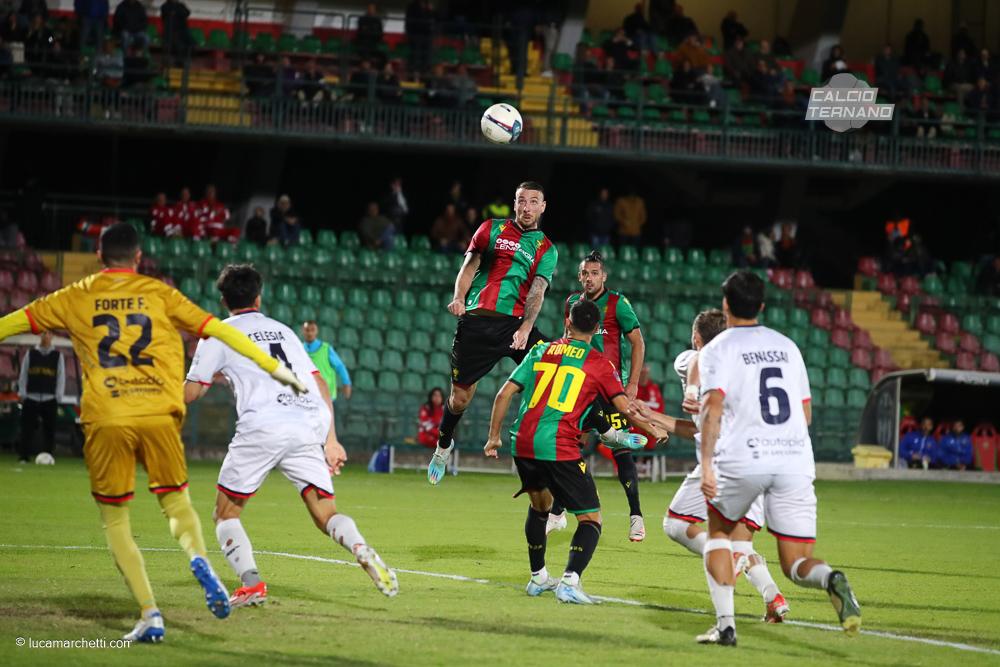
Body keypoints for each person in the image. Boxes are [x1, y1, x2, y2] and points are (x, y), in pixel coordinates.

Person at [0, 223, 308, 642]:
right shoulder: (160, 292)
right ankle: (200, 559)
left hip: (108, 414)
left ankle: (150, 613)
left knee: (115, 519)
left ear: (99, 256)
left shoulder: (75, 296)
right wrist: (272, 366)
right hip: (159, 412)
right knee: (177, 504)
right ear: (139, 257)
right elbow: (216, 328)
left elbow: (13, 323)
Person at [185, 265, 396, 607]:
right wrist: (331, 439)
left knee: (226, 514)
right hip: (306, 422)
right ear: (259, 297)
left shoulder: (218, 333)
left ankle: (251, 583)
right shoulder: (283, 331)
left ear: (223, 300)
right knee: (325, 513)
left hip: (263, 425)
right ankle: (359, 547)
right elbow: (321, 383)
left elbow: (192, 392)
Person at [694, 271, 860, 645]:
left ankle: (725, 627)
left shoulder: (718, 348)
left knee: (720, 532)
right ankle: (830, 577)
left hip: (744, 458)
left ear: (725, 305)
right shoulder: (787, 346)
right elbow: (805, 413)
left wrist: (706, 464)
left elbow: (712, 410)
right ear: (763, 306)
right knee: (796, 563)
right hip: (794, 460)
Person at [483, 299, 668, 604]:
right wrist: (653, 430)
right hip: (558, 445)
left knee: (541, 507)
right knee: (591, 519)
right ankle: (569, 582)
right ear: (598, 330)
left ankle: (538, 578)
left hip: (523, 441)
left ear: (566, 322)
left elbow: (504, 394)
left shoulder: (540, 350)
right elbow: (626, 409)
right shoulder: (599, 363)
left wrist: (493, 438)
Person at [639, 309, 789, 623]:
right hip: (761, 462)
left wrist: (691, 391)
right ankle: (773, 597)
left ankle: (728, 565)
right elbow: (695, 427)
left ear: (696, 338)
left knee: (676, 524)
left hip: (724, 462)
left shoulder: (692, 358)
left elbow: (697, 360)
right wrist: (650, 416)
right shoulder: (742, 371)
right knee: (743, 544)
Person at [426, 182, 558, 485]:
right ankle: (443, 446)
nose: (526, 207)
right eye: (521, 201)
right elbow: (470, 265)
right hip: (476, 324)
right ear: (514, 204)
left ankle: (602, 431)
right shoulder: (490, 228)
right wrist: (459, 297)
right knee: (459, 399)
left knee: (556, 370)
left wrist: (526, 327)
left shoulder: (546, 249)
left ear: (543, 206)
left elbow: (537, 290)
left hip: (515, 326)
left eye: (533, 202)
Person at [547, 251, 649, 541]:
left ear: (603, 276)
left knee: (622, 453)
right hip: (579, 388)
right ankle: (557, 513)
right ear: (579, 276)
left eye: (595, 273)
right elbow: (567, 342)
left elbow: (637, 342)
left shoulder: (617, 303)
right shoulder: (571, 303)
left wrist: (632, 385)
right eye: (585, 273)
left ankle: (636, 516)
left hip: (610, 388)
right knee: (566, 446)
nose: (589, 278)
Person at [17, 330, 66, 463]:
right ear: (40, 335)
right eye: (44, 333)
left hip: (50, 397)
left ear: (52, 336)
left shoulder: (57, 356)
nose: (46, 336)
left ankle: (48, 455)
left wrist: (58, 395)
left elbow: (61, 376)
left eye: (49, 334)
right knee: (27, 428)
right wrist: (22, 392)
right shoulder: (31, 354)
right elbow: (24, 374)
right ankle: (24, 456)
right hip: (31, 396)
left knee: (49, 429)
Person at [301, 320, 352, 402]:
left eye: (312, 330)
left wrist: (346, 383)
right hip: (308, 396)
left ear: (316, 331)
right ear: (303, 331)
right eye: (307, 330)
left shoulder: (326, 349)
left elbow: (340, 366)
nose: (310, 333)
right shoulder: (299, 349)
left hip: (327, 397)